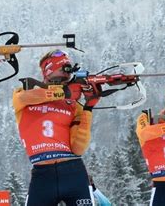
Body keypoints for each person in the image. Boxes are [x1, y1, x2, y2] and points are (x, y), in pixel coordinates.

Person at [13, 49, 100, 206]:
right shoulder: (24, 93)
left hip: (72, 170)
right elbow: (28, 97)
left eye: (68, 72)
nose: (66, 75)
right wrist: (63, 92)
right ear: (48, 70)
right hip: (42, 174)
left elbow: (78, 147)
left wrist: (88, 109)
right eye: (62, 69)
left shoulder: (73, 104)